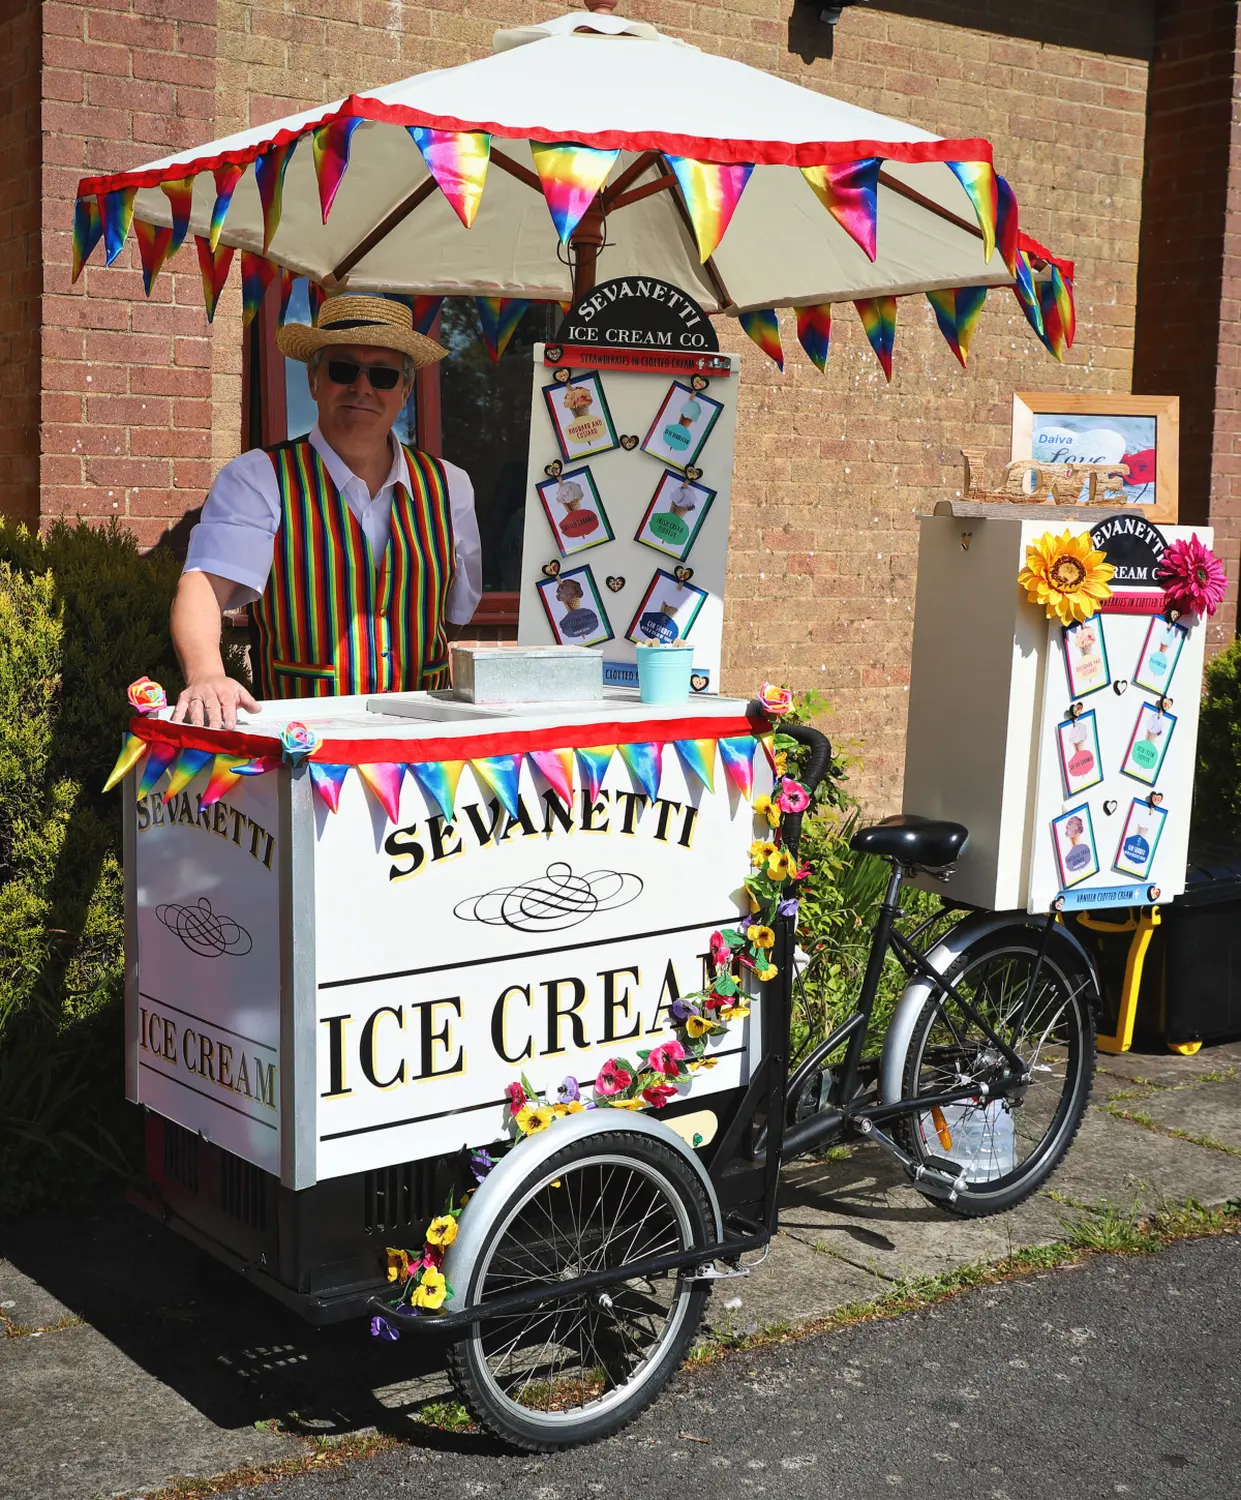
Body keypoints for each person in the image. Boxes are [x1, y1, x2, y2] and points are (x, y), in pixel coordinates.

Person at [171, 294, 482, 728]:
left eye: (384, 375)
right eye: (343, 370)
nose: (362, 387)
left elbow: (454, 617)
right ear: (314, 381)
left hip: (424, 750)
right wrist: (206, 673)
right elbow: (205, 584)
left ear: (405, 391)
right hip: (303, 749)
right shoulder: (259, 478)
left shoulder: (451, 486)